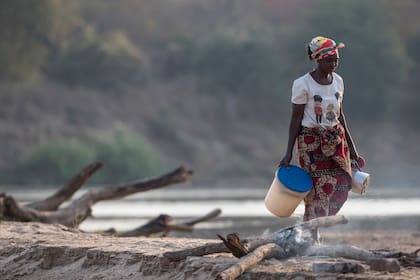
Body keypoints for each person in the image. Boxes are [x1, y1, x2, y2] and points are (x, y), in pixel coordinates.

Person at [279, 36, 365, 240]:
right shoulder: (302, 84)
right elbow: (295, 119)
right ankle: (312, 235)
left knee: (343, 182)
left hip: (336, 140)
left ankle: (315, 226)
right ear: (317, 60)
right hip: (311, 143)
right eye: (329, 60)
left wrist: (353, 150)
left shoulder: (339, 81)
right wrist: (288, 152)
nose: (333, 64)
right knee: (316, 192)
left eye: (336, 59)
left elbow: (340, 115)